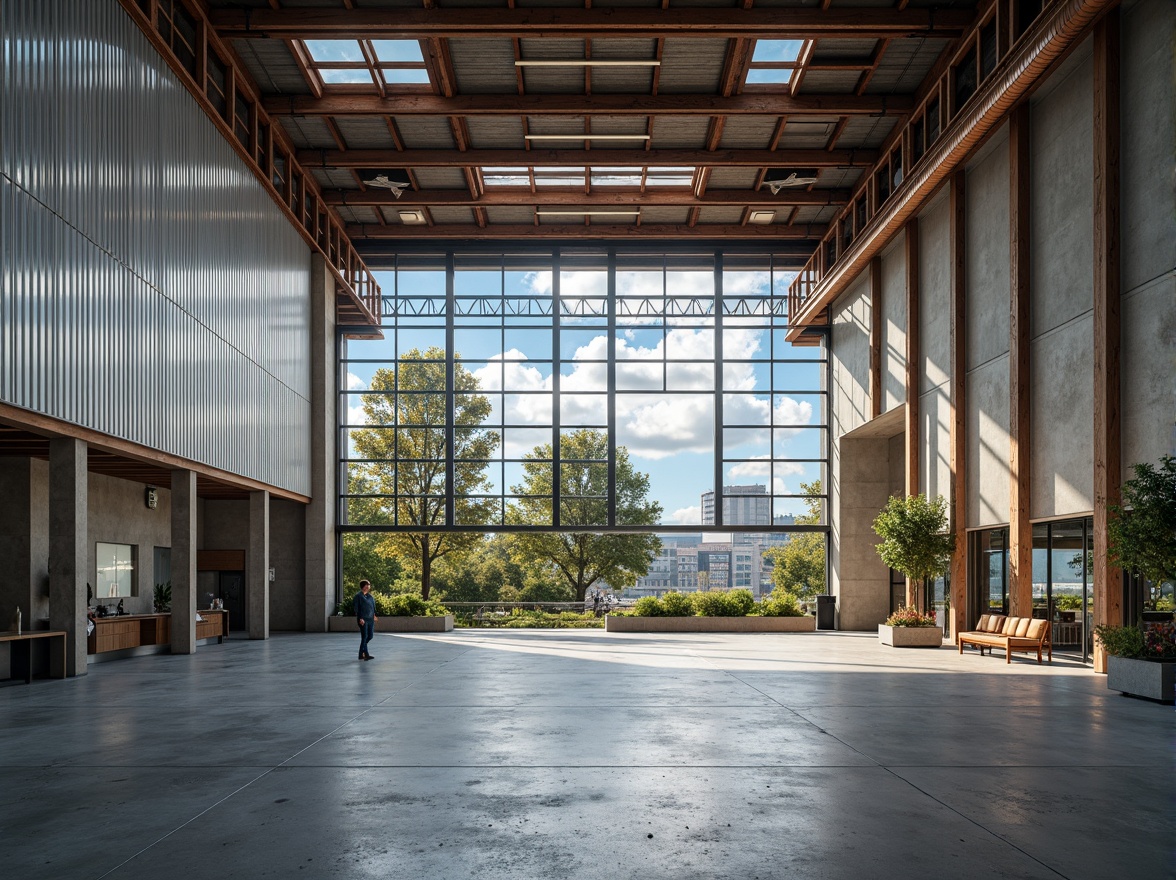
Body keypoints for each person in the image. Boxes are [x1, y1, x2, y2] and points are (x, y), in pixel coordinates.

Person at [353, 580, 378, 660]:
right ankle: (364, 654)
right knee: (364, 637)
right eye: (366, 585)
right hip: (363, 619)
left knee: (370, 636)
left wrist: (374, 615)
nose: (368, 587)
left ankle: (363, 652)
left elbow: (373, 607)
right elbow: (356, 608)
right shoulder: (358, 596)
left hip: (370, 619)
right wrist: (360, 618)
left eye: (369, 585)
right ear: (362, 586)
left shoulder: (370, 596)